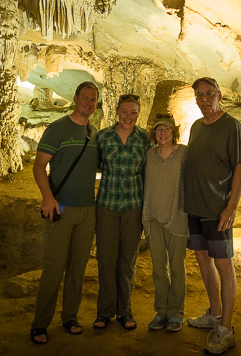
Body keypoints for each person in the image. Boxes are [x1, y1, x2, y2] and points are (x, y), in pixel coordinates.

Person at [29, 81, 100, 345]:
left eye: (93, 100)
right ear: (75, 98)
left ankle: (70, 316)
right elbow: (38, 167)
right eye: (85, 98)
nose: (89, 103)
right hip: (61, 209)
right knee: (53, 268)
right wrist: (47, 198)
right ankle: (40, 324)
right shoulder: (57, 128)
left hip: (88, 210)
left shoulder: (94, 134)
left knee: (77, 269)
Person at [184, 77, 241, 355]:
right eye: (199, 95)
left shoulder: (231, 125)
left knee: (223, 263)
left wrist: (231, 206)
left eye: (209, 93)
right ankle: (215, 313)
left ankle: (227, 329)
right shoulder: (196, 127)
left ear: (219, 96)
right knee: (201, 257)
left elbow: (239, 168)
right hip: (195, 207)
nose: (204, 99)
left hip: (217, 208)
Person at [93, 93, 150, 331]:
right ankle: (105, 312)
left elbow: (149, 173)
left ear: (138, 114)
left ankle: (125, 311)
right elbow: (93, 166)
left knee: (128, 260)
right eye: (125, 111)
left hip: (133, 207)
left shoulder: (144, 139)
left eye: (134, 112)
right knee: (106, 259)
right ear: (117, 111)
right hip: (106, 205)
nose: (129, 117)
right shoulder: (103, 137)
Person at [142, 113, 188, 332]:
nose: (162, 133)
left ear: (174, 132)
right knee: (159, 268)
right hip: (152, 217)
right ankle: (161, 311)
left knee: (177, 267)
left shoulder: (184, 153)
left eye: (167, 129)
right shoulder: (149, 155)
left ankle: (176, 313)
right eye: (159, 129)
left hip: (177, 217)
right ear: (154, 133)